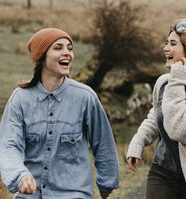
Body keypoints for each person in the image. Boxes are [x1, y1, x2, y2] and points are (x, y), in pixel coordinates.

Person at [0, 28, 120, 198]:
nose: (67, 53)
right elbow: (9, 145)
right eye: (58, 48)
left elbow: (103, 143)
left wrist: (107, 181)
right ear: (42, 57)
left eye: (69, 48)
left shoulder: (86, 97)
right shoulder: (19, 99)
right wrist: (19, 175)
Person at [126, 19, 186, 199]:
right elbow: (155, 117)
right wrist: (138, 142)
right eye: (166, 43)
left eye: (172, 44)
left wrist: (178, 81)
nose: (165, 48)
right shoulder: (164, 82)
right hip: (162, 172)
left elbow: (178, 130)